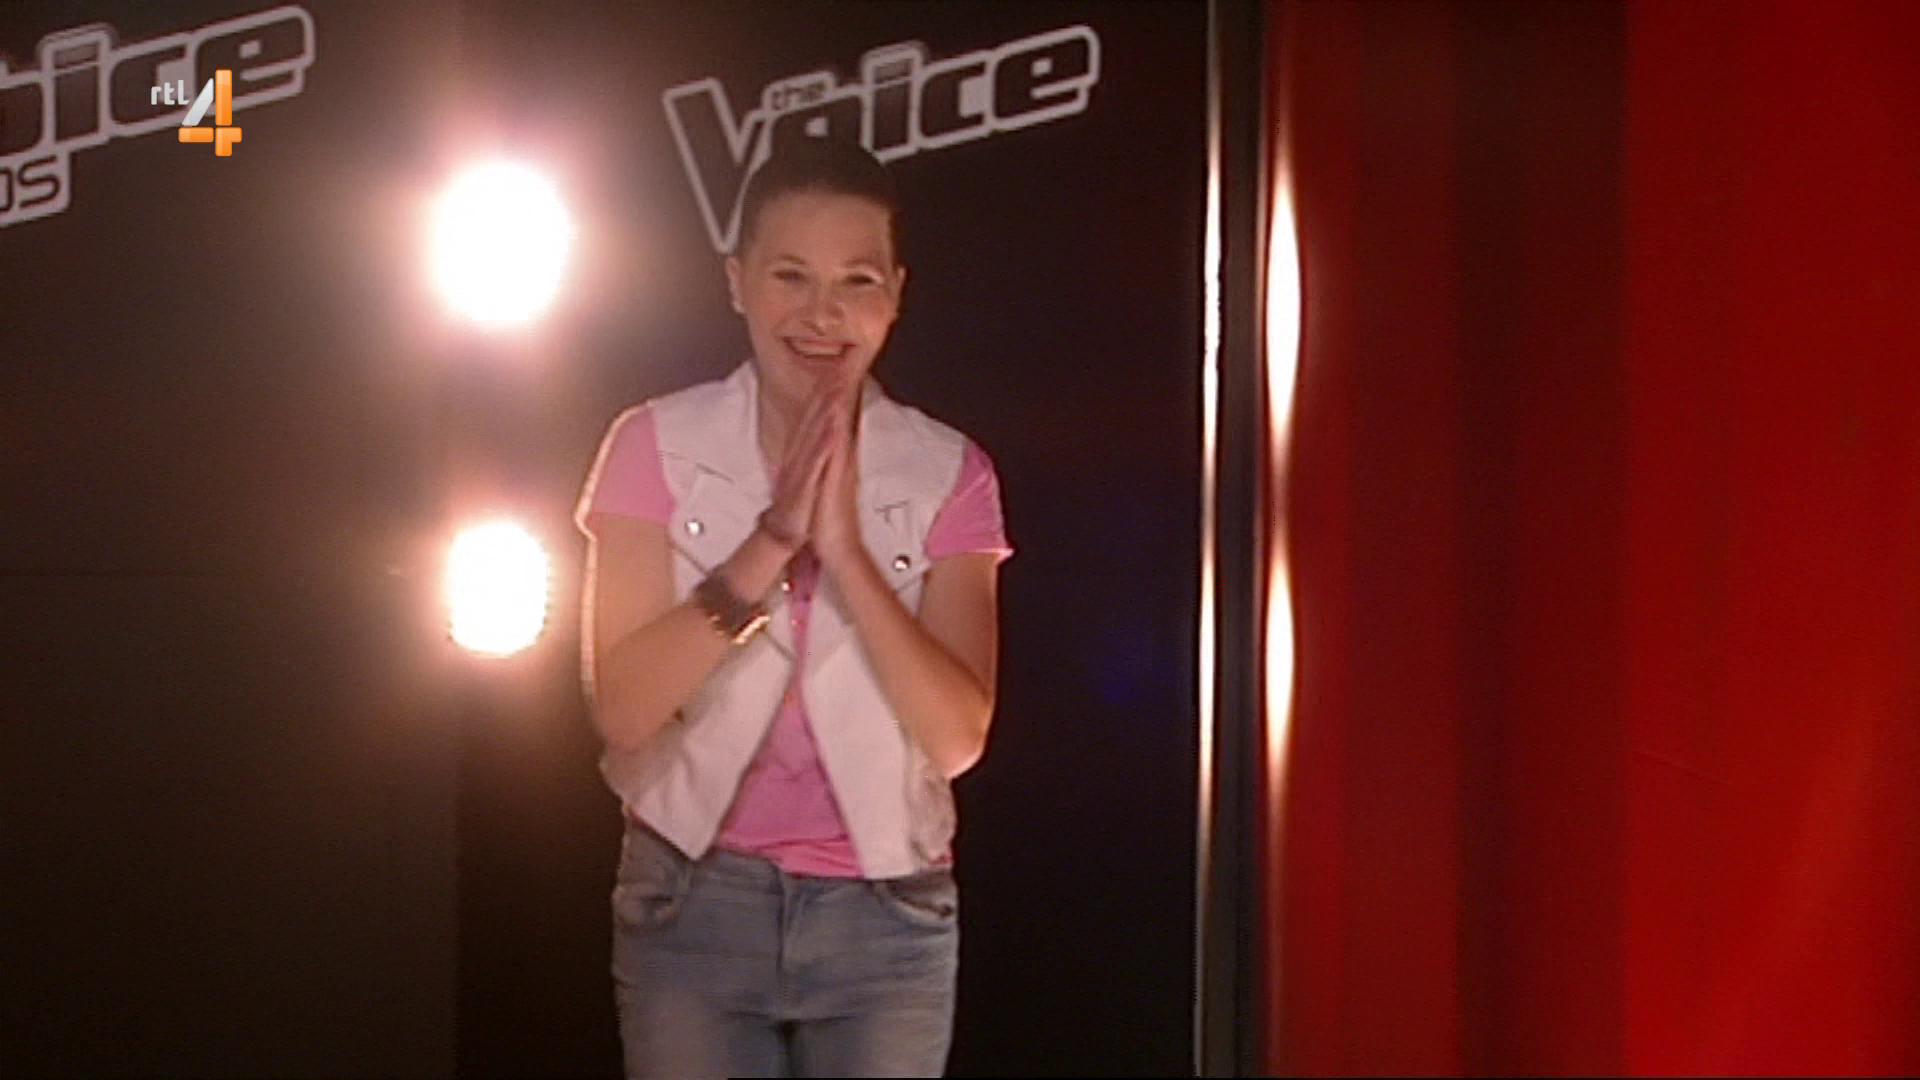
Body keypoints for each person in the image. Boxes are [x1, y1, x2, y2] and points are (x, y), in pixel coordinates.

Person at [571, 134, 1013, 1078]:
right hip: (689, 900)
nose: (823, 314)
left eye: (857, 281)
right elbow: (623, 708)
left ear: (896, 294)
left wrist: (845, 551)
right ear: (736, 282)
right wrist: (772, 540)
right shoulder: (652, 441)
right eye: (791, 277)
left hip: (886, 918)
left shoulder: (949, 471)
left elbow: (956, 738)